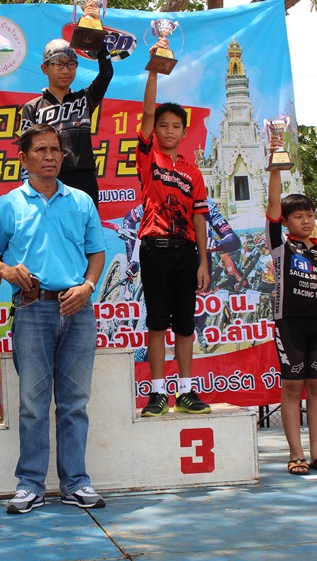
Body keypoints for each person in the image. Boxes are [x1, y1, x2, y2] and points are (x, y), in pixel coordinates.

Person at [0, 123, 106, 515]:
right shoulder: (8, 204)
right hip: (32, 309)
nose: (49, 156)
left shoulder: (81, 201)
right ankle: (29, 485)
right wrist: (6, 270)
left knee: (75, 403)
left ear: (63, 156)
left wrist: (88, 286)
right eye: (41, 149)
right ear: (23, 157)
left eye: (55, 150)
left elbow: (97, 252)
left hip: (78, 309)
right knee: (32, 403)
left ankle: (76, 483)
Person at [136, 41, 212, 418]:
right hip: (154, 248)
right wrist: (153, 69)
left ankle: (185, 391)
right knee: (156, 323)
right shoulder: (148, 157)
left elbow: (199, 218)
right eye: (163, 125)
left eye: (175, 126)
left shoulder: (192, 171)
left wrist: (204, 261)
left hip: (186, 252)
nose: (168, 130)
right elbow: (148, 110)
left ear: (184, 132)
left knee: (184, 325)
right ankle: (156, 393)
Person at [266, 132, 317, 475]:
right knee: (292, 387)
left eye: (310, 215)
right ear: (286, 221)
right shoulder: (281, 245)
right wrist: (275, 167)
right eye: (298, 216)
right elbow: (272, 206)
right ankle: (295, 453)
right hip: (290, 325)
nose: (306, 221)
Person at [20, 35, 113, 206]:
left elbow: (106, 74)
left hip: (84, 177)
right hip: (49, 177)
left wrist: (98, 39)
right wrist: (28, 187)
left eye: (71, 64)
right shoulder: (32, 108)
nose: (65, 70)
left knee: (85, 223)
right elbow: (26, 150)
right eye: (59, 64)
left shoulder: (84, 99)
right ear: (45, 68)